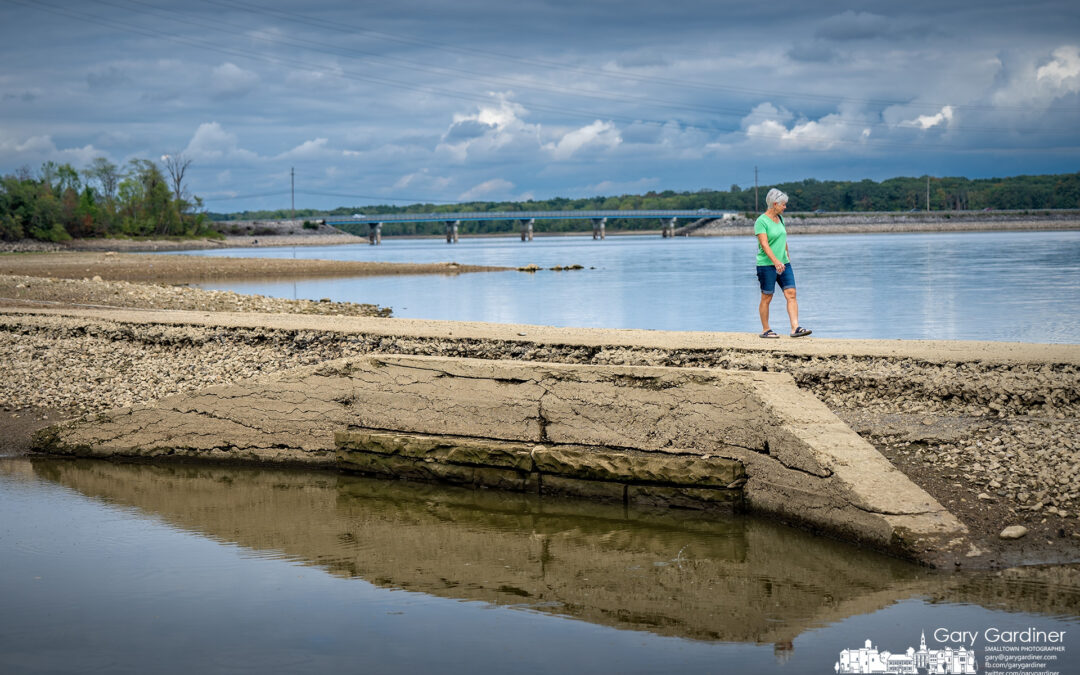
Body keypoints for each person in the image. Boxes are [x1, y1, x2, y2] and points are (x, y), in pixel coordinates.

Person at [754, 188, 811, 338]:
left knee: (791, 293)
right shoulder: (761, 221)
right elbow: (764, 245)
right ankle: (766, 330)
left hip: (784, 263)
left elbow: (783, 240)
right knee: (767, 297)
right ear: (774, 204)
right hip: (766, 265)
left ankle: (795, 328)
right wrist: (776, 261)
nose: (785, 207)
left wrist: (787, 257)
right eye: (783, 204)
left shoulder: (781, 219)